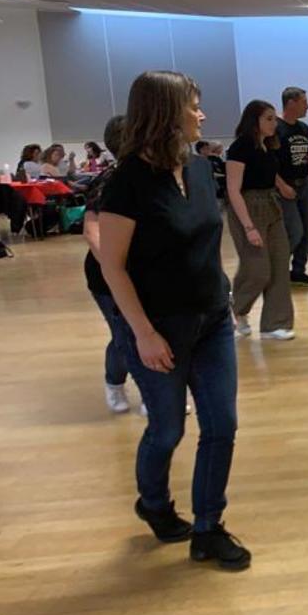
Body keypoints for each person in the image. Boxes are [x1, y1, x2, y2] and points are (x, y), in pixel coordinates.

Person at [96, 70, 249, 571]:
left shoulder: (201, 169)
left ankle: (208, 528)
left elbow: (206, 243)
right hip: (159, 326)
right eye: (193, 105)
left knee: (222, 424)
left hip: (212, 319)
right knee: (166, 430)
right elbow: (112, 266)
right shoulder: (128, 183)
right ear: (165, 113)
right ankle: (154, 503)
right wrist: (142, 333)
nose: (201, 114)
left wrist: (223, 299)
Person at [83, 115, 139, 414]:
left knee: (154, 330)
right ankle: (114, 382)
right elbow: (91, 230)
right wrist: (115, 268)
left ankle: (158, 393)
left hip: (148, 271)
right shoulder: (108, 181)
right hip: (108, 273)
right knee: (124, 334)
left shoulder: (154, 176)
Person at [226, 100, 295, 340]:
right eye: (269, 118)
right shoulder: (240, 147)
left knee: (279, 266)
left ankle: (275, 324)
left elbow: (268, 173)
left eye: (274, 118)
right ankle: (234, 311)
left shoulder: (268, 145)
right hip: (248, 206)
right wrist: (248, 227)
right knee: (257, 269)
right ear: (253, 121)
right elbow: (233, 189)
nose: (274, 123)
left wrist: (282, 186)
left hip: (271, 205)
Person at [275, 86, 308, 286]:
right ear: (291, 103)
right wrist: (282, 186)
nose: (307, 107)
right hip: (285, 187)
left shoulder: (303, 128)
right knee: (294, 231)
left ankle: (298, 270)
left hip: (303, 186)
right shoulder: (276, 128)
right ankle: (278, 271)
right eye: (304, 102)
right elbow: (268, 161)